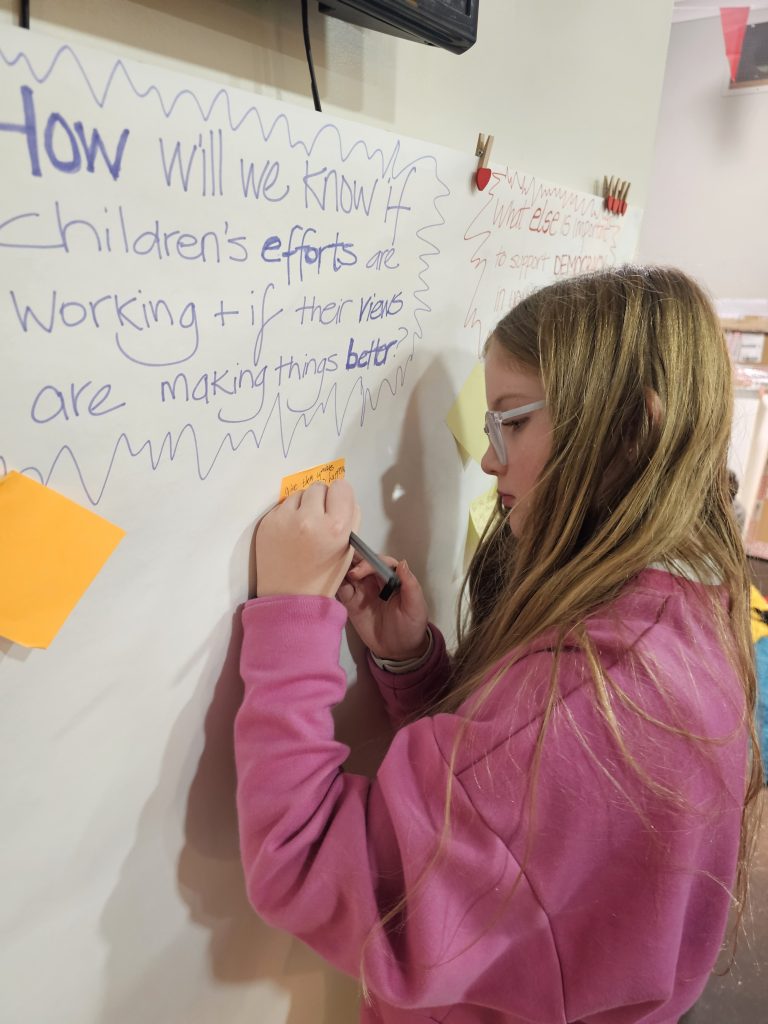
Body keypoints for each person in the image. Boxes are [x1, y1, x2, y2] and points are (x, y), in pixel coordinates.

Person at [234, 266, 763, 1024]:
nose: (487, 459)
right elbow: (515, 826)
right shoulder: (680, 612)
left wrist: (289, 611)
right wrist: (415, 667)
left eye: (511, 422)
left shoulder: (596, 698)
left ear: (631, 431)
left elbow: (304, 861)